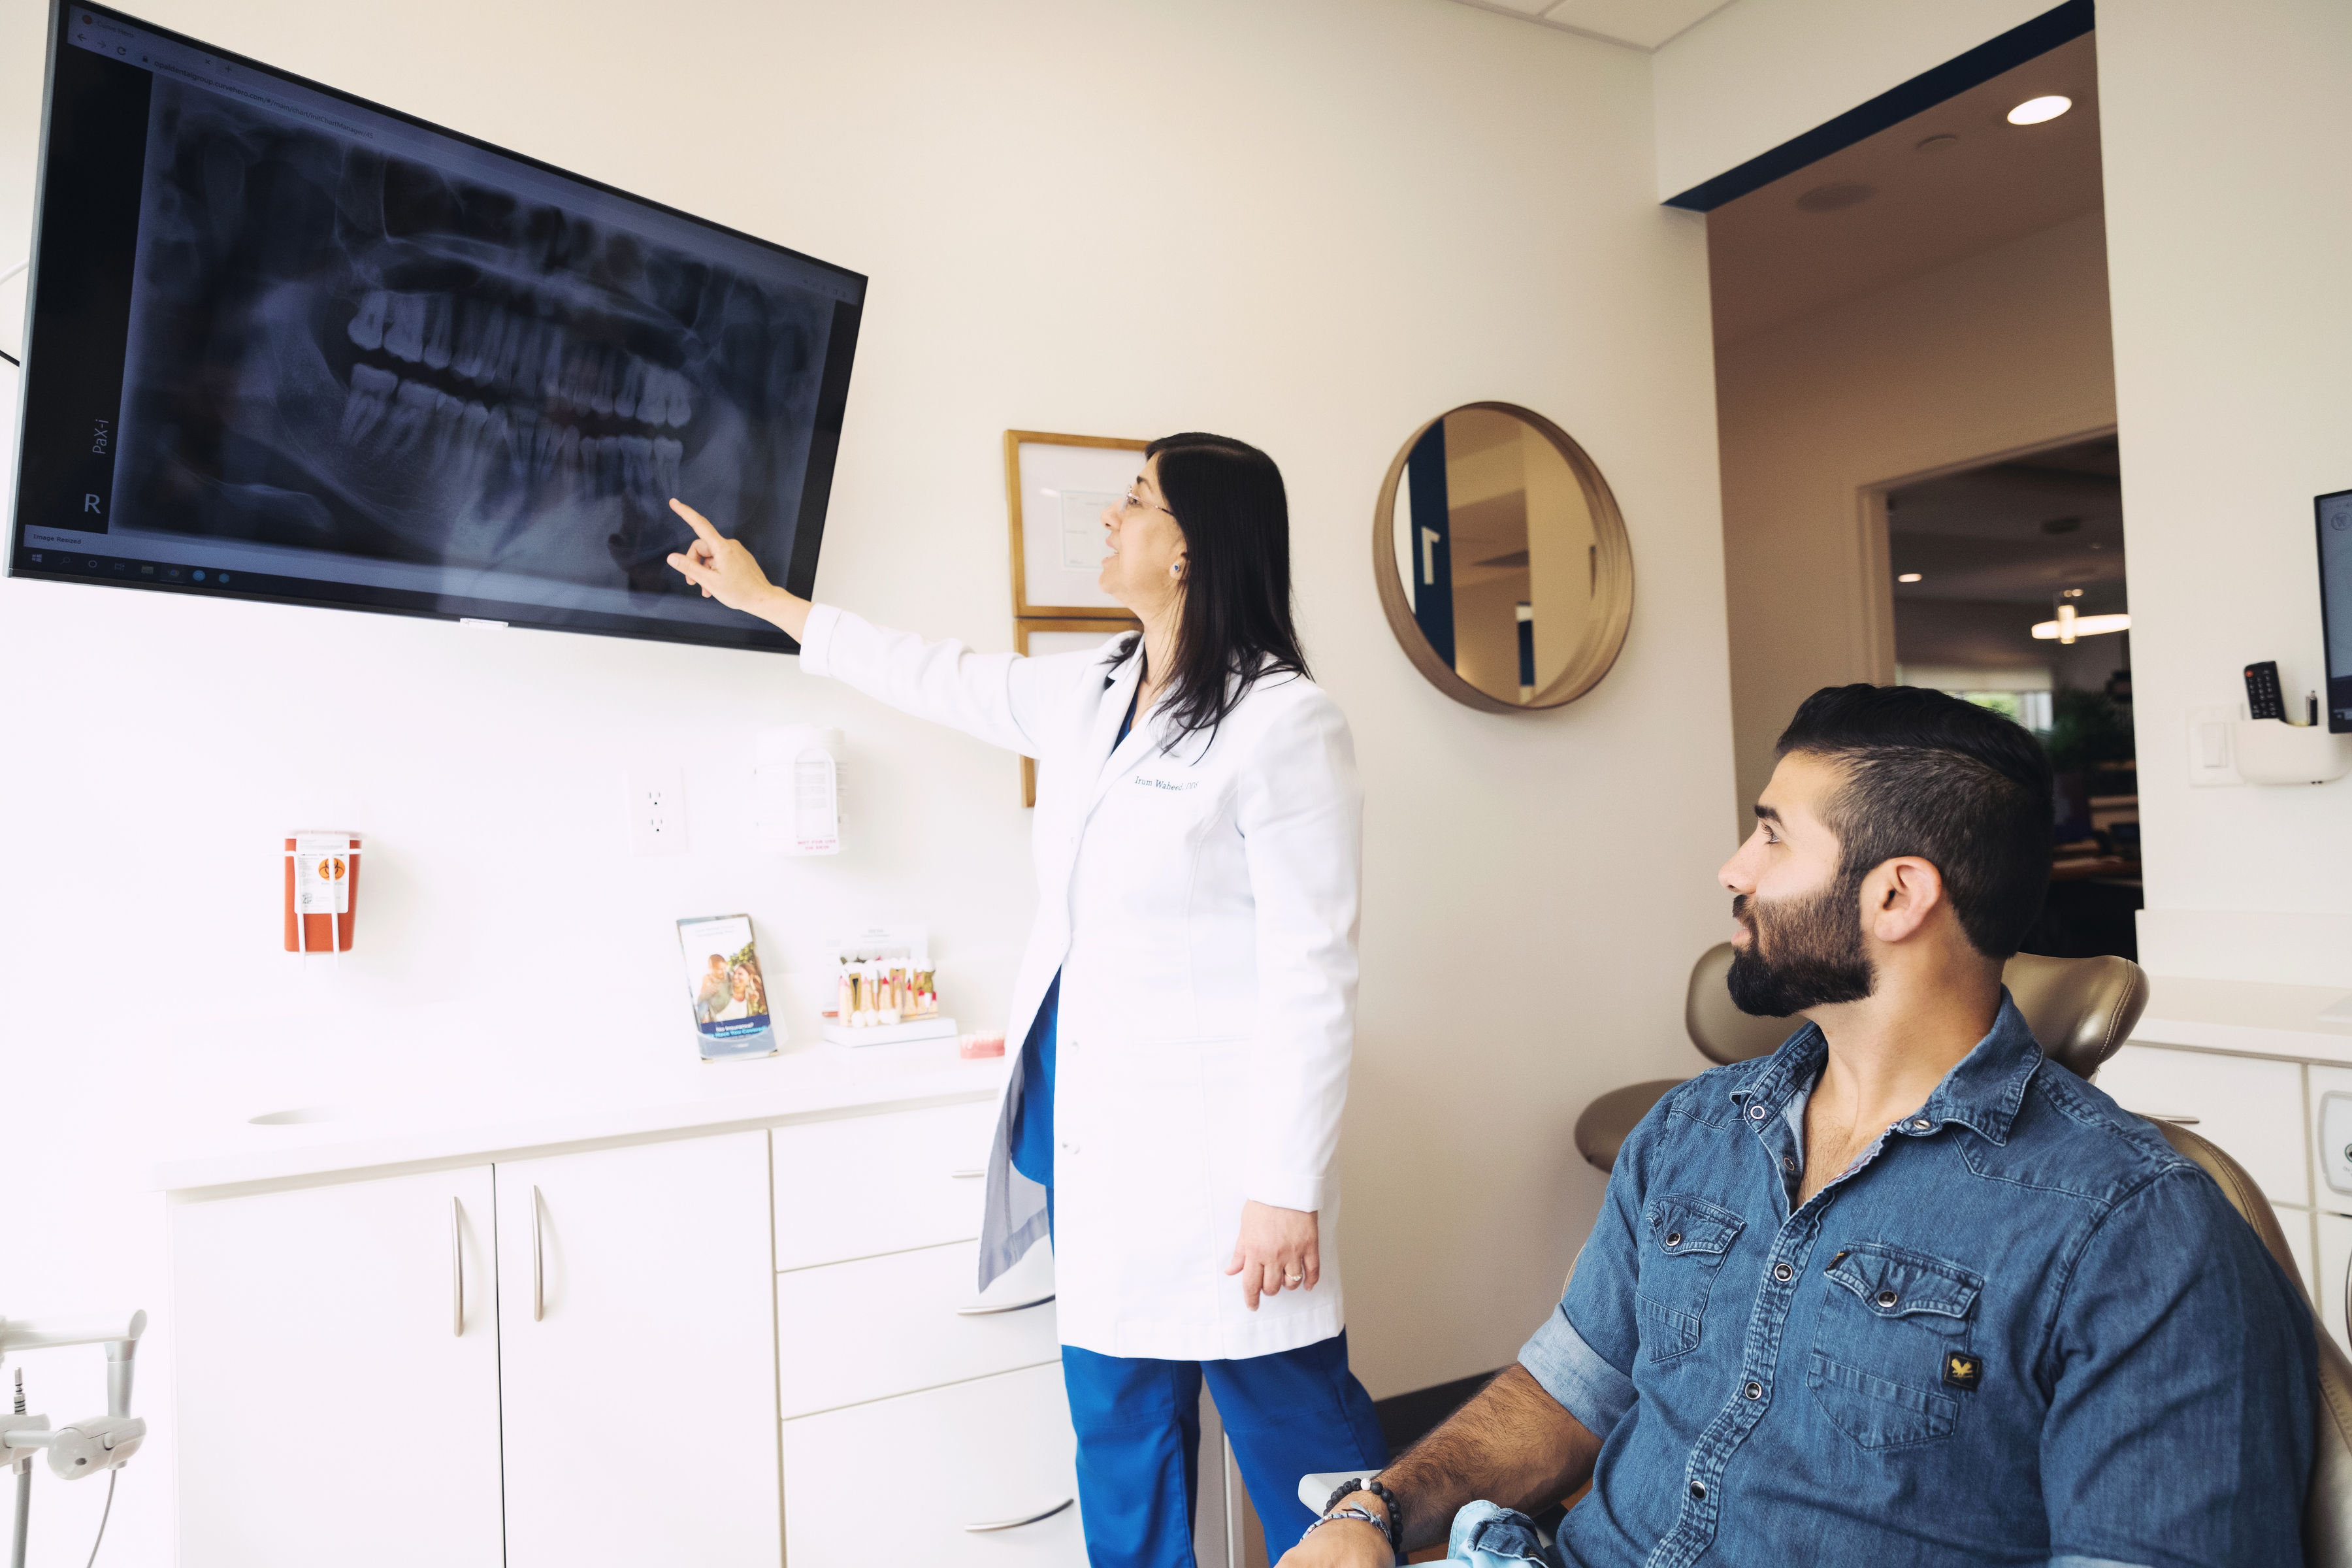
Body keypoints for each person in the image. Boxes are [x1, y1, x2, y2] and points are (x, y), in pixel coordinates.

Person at [1286, 685, 2317, 1567]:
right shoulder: (1693, 1130)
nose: (1734, 870)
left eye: (1772, 834)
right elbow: (1564, 1395)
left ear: (1897, 894)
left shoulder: (2135, 1231)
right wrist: (1371, 1512)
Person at [664, 433, 1388, 1562]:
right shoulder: (1094, 688)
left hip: (1225, 1172)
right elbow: (941, 674)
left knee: (1307, 1457)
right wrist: (775, 603)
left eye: (1137, 500)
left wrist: (1283, 1189)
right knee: (1119, 1442)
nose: (1113, 517)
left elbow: (1315, 972)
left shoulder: (1284, 722)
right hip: (1103, 1153)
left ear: (1192, 546)